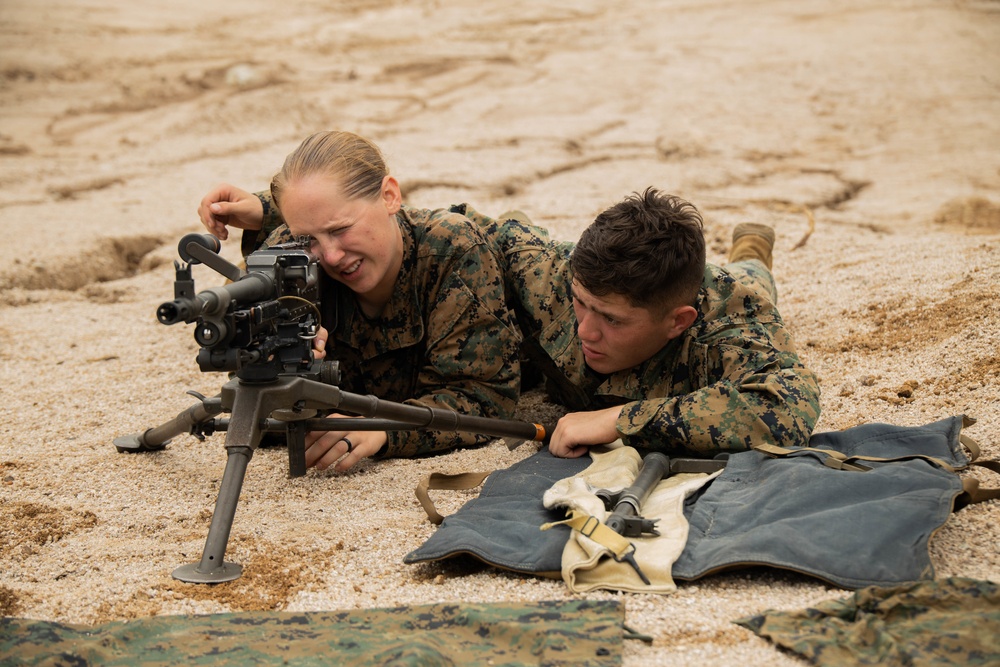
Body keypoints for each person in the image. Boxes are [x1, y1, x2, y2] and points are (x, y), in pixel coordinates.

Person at [196, 131, 522, 472]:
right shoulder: (288, 263)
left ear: (389, 196)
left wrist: (382, 429)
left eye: (340, 230)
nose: (332, 256)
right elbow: (256, 402)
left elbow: (482, 396)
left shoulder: (452, 251)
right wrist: (282, 369)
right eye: (309, 239)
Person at [454, 187, 821, 459]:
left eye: (612, 319)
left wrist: (620, 420)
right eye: (580, 304)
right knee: (516, 234)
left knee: (748, 278)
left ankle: (752, 249)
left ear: (677, 322)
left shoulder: (730, 324)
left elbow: (786, 408)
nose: (585, 331)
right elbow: (452, 231)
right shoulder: (550, 271)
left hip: (723, 291)